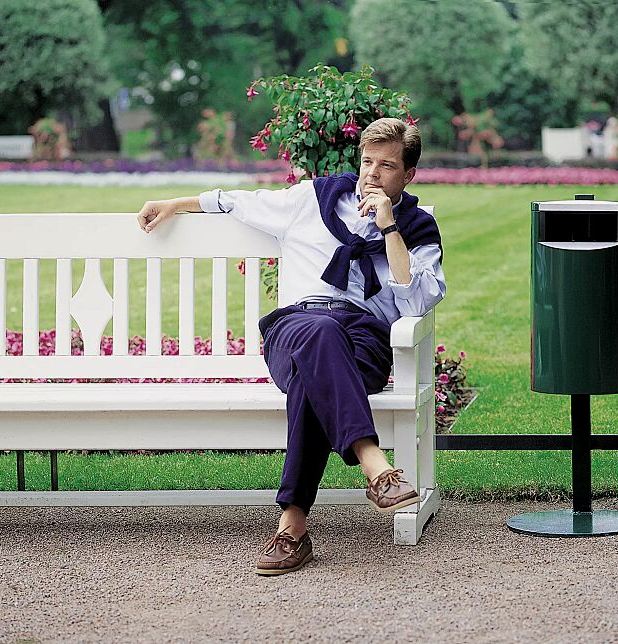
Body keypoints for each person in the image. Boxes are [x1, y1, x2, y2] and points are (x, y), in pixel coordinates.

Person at [137, 118, 446, 575]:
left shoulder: (417, 228)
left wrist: (389, 228)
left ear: (409, 174)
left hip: (363, 340)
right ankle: (375, 464)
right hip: (295, 327)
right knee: (319, 334)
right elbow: (239, 202)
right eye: (367, 162)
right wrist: (175, 203)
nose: (372, 173)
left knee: (313, 375)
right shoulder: (312, 200)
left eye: (387, 165)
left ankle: (293, 528)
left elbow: (416, 300)